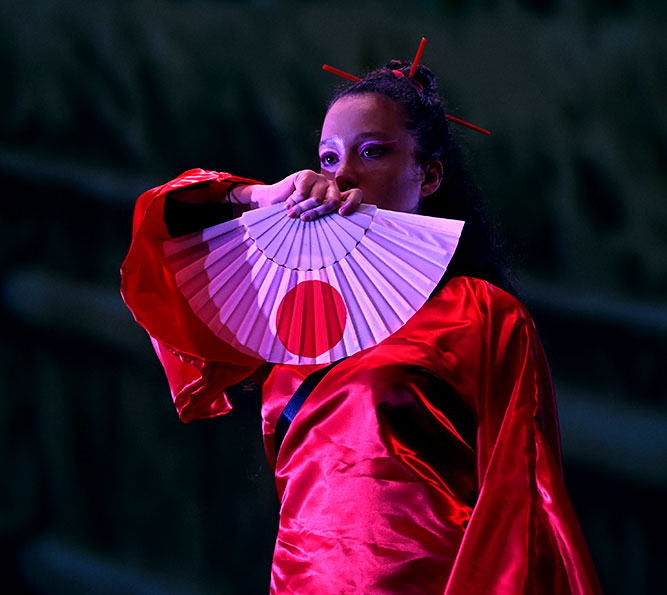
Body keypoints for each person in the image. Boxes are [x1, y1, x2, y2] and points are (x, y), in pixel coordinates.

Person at [121, 58, 601, 594]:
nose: (342, 174)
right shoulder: (293, 304)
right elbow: (162, 243)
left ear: (431, 173)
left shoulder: (481, 312)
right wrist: (258, 196)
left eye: (371, 151)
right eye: (328, 157)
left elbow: (519, 497)